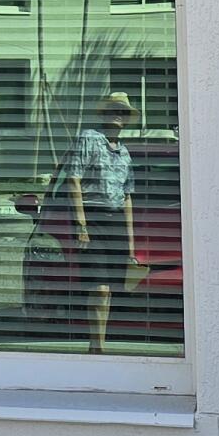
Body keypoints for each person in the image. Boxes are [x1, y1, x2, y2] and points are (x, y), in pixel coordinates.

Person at [66, 92, 139, 355]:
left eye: (124, 112)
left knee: (109, 290)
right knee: (98, 287)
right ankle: (96, 347)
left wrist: (131, 247)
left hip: (116, 220)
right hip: (94, 217)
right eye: (114, 110)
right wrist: (82, 225)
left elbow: (127, 197)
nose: (119, 115)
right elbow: (73, 179)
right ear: (104, 113)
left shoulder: (125, 152)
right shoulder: (89, 138)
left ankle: (100, 344)